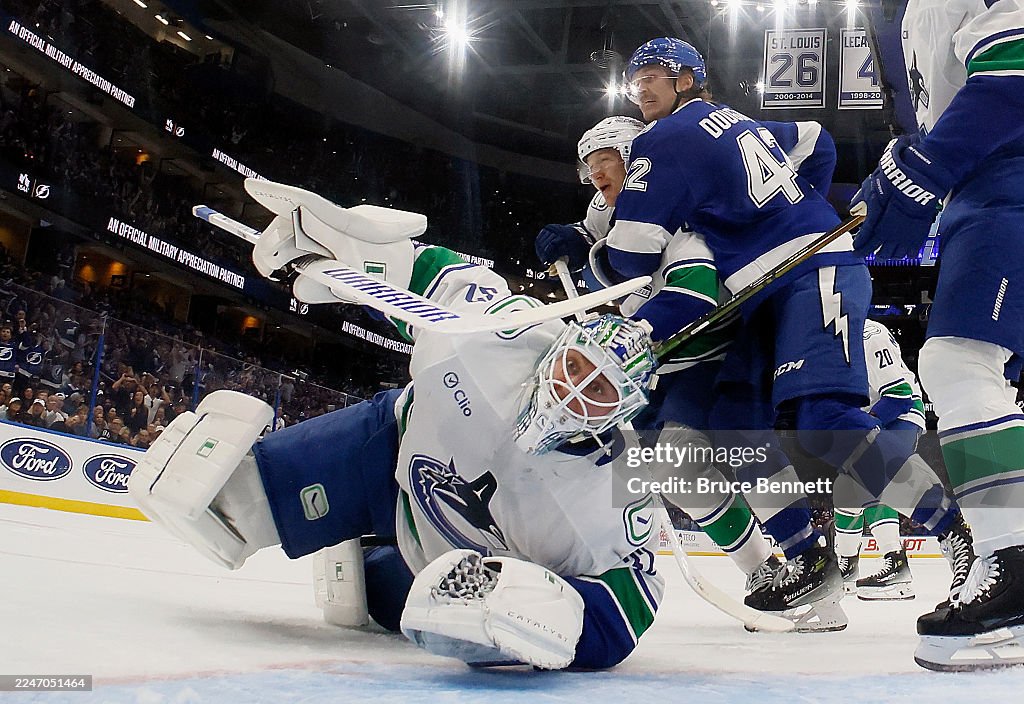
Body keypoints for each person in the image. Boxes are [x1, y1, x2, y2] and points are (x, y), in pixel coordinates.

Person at [129, 184, 663, 671]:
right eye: (576, 367)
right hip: (390, 446)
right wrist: (349, 250)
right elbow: (432, 275)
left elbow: (631, 604)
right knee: (226, 511)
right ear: (560, 349)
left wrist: (562, 617)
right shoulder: (507, 332)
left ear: (622, 411)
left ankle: (367, 559)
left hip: (436, 554)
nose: (576, 390)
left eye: (600, 390)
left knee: (400, 603)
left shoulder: (613, 492)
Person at [596, 37, 974, 625]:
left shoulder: (658, 142)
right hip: (772, 287)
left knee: (827, 421)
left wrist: (587, 244)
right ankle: (804, 556)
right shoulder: (738, 122)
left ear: (687, 81)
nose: (641, 85)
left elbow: (631, 257)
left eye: (655, 75)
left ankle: (956, 536)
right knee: (730, 423)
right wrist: (802, 206)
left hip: (806, 276)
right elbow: (816, 141)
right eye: (636, 76)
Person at [537, 113, 844, 629]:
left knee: (726, 445)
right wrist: (568, 239)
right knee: (674, 472)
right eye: (589, 168)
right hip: (659, 362)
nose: (597, 177)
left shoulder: (685, 218)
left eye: (606, 163)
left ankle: (809, 560)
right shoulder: (607, 203)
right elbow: (596, 235)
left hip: (711, 351)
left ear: (636, 162)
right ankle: (768, 570)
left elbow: (690, 297)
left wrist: (629, 334)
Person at [850, 0, 1024, 670]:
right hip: (984, 195)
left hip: (1007, 187)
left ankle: (1012, 561)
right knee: (970, 371)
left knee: (958, 363)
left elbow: (1013, 68)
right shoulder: (907, 14)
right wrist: (901, 165)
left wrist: (923, 169)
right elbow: (957, 97)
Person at [833, 319, 928, 601]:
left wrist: (863, 426)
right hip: (871, 414)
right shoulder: (824, 340)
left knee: (871, 473)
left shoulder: (868, 334)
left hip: (901, 412)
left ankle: (896, 563)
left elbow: (898, 396)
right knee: (845, 489)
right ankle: (846, 569)